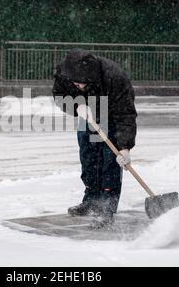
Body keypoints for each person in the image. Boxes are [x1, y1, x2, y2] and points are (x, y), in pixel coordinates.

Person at [52, 49, 137, 228]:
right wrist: (77, 108)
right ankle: (91, 200)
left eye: (84, 83)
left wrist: (125, 146)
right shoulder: (64, 74)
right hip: (87, 113)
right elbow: (59, 97)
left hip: (112, 115)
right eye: (76, 84)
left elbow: (126, 113)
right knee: (88, 157)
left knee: (109, 161)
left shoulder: (114, 77)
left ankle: (107, 206)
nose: (80, 86)